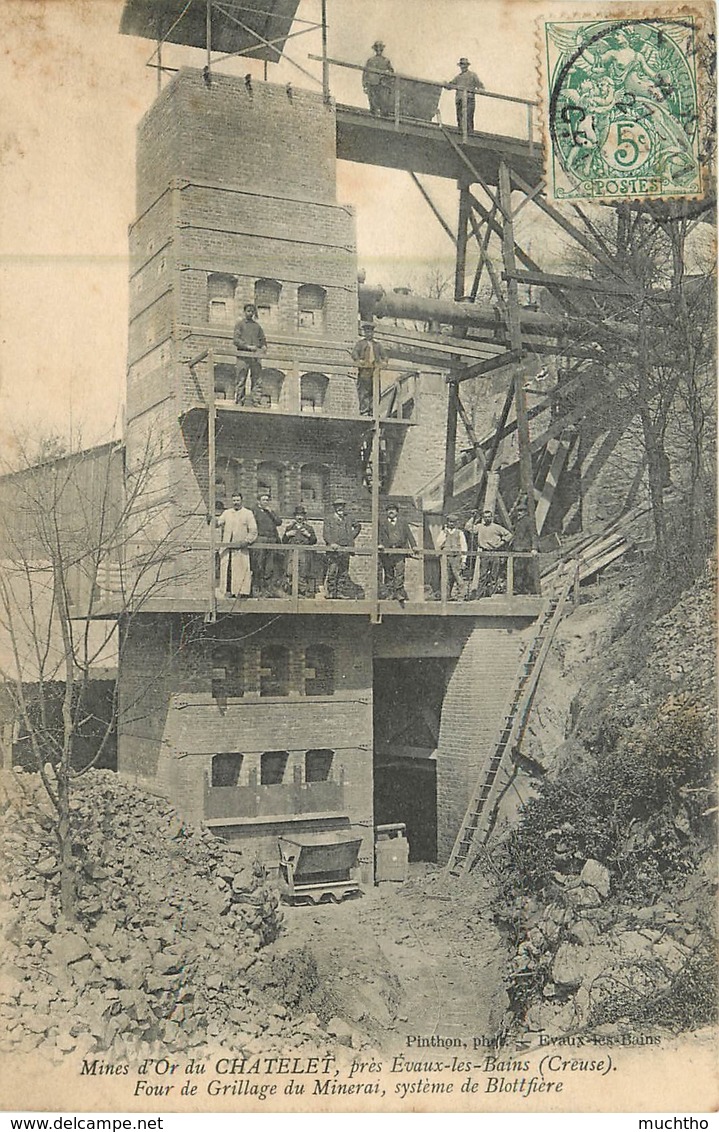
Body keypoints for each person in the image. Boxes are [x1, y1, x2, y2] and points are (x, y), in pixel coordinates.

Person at [216, 493, 257, 598]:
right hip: (227, 547)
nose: (236, 503)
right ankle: (228, 591)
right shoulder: (227, 513)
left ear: (241, 501)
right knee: (228, 570)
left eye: (238, 500)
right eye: (234, 500)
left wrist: (246, 541)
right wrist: (212, 520)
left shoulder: (248, 513)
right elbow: (218, 523)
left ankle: (240, 592)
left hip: (240, 548)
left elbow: (253, 530)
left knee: (240, 570)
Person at [467, 508, 513, 597]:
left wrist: (501, 543)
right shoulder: (480, 527)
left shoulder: (496, 527)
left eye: (489, 517)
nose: (487, 519)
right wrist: (473, 517)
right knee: (483, 575)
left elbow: (509, 535)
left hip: (495, 553)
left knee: (494, 575)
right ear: (483, 518)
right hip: (484, 553)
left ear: (492, 517)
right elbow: (468, 527)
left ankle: (492, 595)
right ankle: (479, 595)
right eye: (485, 517)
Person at [323, 499, 361, 599]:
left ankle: (340, 592)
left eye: (342, 506)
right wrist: (332, 543)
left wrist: (351, 537)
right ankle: (331, 592)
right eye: (337, 506)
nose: (340, 508)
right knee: (333, 570)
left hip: (345, 549)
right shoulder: (329, 519)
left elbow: (358, 526)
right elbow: (326, 534)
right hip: (334, 550)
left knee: (343, 571)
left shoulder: (348, 518)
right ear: (334, 507)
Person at [378, 503, 416, 602]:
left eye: (393, 510)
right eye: (389, 510)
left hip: (400, 551)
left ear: (397, 512)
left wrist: (414, 546)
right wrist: (379, 544)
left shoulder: (403, 522)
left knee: (400, 572)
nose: (391, 511)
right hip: (387, 552)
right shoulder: (382, 523)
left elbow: (409, 534)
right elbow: (378, 535)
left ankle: (398, 593)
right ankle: (390, 593)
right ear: (386, 512)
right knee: (388, 573)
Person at [281, 505, 319, 597]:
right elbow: (284, 541)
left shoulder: (309, 528)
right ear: (295, 516)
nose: (299, 517)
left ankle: (302, 591)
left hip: (304, 552)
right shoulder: (290, 527)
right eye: (298, 515)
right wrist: (287, 534)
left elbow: (314, 540)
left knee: (303, 571)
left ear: (304, 517)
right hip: (292, 552)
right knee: (290, 571)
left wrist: (308, 535)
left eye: (301, 515)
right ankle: (291, 591)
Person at [234, 303, 267, 406]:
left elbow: (263, 340)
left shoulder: (257, 326)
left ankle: (256, 401)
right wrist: (247, 347)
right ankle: (240, 400)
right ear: (244, 312)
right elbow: (236, 340)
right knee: (241, 378)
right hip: (243, 355)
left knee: (257, 379)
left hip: (255, 357)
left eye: (252, 311)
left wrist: (263, 347)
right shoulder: (240, 324)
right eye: (248, 311)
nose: (250, 313)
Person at [251, 491, 283, 597]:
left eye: (267, 500)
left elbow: (279, 522)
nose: (266, 502)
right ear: (258, 501)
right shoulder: (254, 512)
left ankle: (268, 589)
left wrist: (271, 512)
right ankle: (256, 588)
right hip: (260, 540)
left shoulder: (270, 512)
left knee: (269, 566)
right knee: (258, 565)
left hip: (271, 540)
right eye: (263, 500)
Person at [351, 323, 386, 416]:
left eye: (370, 332)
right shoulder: (360, 344)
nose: (368, 334)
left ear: (373, 333)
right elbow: (354, 353)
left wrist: (384, 362)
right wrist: (359, 360)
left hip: (375, 372)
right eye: (367, 332)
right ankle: (364, 411)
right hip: (364, 372)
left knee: (375, 392)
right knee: (363, 391)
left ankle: (373, 411)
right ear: (364, 333)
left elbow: (384, 356)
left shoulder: (377, 345)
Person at [446, 57, 485, 133]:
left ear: (467, 66)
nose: (463, 67)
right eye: (461, 65)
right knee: (459, 117)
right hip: (459, 99)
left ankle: (469, 135)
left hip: (469, 99)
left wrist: (478, 90)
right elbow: (450, 86)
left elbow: (480, 86)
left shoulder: (472, 75)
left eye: (464, 65)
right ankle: (461, 133)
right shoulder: (458, 77)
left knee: (468, 117)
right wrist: (445, 84)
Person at [436, 514, 467, 601]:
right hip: (445, 557)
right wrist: (444, 535)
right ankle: (446, 596)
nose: (452, 524)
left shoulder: (460, 533)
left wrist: (464, 559)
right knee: (445, 577)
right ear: (447, 523)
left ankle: (461, 596)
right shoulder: (443, 532)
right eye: (450, 522)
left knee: (458, 576)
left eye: (453, 522)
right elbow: (438, 543)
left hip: (456, 557)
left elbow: (464, 546)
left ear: (456, 523)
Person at [362, 40, 394, 117]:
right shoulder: (370, 61)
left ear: (382, 50)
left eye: (380, 48)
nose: (379, 50)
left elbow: (391, 72)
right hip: (372, 83)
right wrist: (365, 85)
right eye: (377, 48)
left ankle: (384, 116)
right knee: (373, 102)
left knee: (384, 103)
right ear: (375, 49)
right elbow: (365, 73)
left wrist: (386, 78)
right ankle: (373, 115)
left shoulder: (386, 61)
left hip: (383, 84)